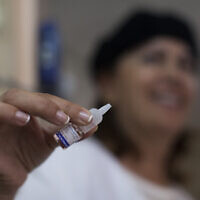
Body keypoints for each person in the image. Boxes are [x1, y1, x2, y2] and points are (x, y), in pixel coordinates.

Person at [1, 10, 198, 200]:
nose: (174, 75)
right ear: (108, 83)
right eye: (153, 58)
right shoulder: (60, 165)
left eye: (186, 65)